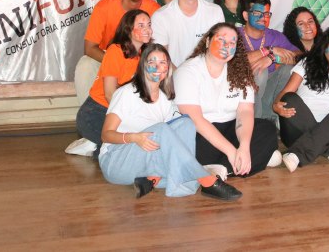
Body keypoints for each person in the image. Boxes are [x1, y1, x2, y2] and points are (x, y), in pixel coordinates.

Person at [99, 42, 239, 201]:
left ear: (168, 68)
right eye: (152, 62)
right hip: (115, 160)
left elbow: (176, 136)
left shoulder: (165, 99)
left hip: (146, 158)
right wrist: (133, 137)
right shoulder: (126, 93)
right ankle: (205, 179)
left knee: (186, 123)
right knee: (162, 129)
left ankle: (153, 179)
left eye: (162, 62)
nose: (157, 67)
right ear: (143, 66)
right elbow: (106, 135)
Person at [175, 24, 282, 177]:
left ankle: (222, 169)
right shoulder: (187, 71)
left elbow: (245, 112)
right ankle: (245, 162)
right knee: (194, 149)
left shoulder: (240, 71)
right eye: (221, 39)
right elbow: (196, 120)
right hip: (201, 132)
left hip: (230, 128)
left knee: (267, 129)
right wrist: (231, 151)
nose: (226, 46)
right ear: (207, 42)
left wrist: (244, 147)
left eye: (232, 43)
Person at [274, 25, 329, 171]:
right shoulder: (306, 64)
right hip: (297, 132)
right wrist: (276, 105)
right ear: (324, 46)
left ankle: (297, 154)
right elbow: (285, 93)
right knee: (290, 98)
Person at [77, 9, 152, 149]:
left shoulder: (147, 54)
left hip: (124, 110)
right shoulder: (115, 51)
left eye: (149, 25)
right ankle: (91, 146)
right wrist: (129, 120)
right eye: (141, 26)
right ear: (128, 29)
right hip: (97, 112)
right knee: (127, 146)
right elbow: (110, 94)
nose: (147, 29)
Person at [151, 0, 226, 66]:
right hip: (174, 76)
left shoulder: (215, 11)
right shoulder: (161, 16)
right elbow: (161, 59)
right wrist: (183, 77)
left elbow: (219, 50)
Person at [237, 0, 298, 120]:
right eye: (257, 12)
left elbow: (299, 56)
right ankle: (255, 122)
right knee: (260, 71)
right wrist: (269, 50)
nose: (263, 17)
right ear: (246, 15)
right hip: (240, 90)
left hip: (268, 88)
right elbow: (237, 60)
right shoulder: (234, 34)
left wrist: (273, 58)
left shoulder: (275, 35)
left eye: (266, 14)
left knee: (288, 69)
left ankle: (273, 118)